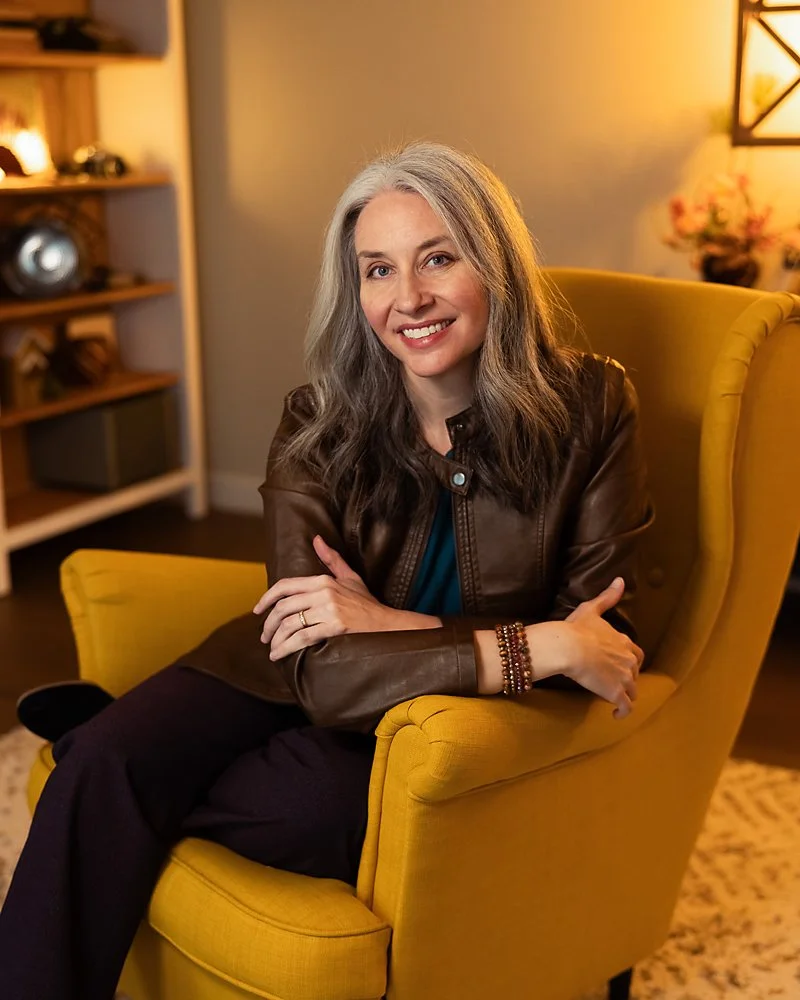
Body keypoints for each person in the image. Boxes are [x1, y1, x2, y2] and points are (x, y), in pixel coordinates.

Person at [0, 141, 651, 1000]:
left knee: (293, 810)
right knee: (111, 767)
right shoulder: (318, 423)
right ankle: (104, 765)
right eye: (377, 270)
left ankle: (101, 750)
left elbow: (601, 648)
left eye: (438, 258)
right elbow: (323, 670)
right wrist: (532, 642)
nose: (407, 298)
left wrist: (388, 621)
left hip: (438, 726)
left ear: (495, 265)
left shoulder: (592, 410)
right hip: (280, 670)